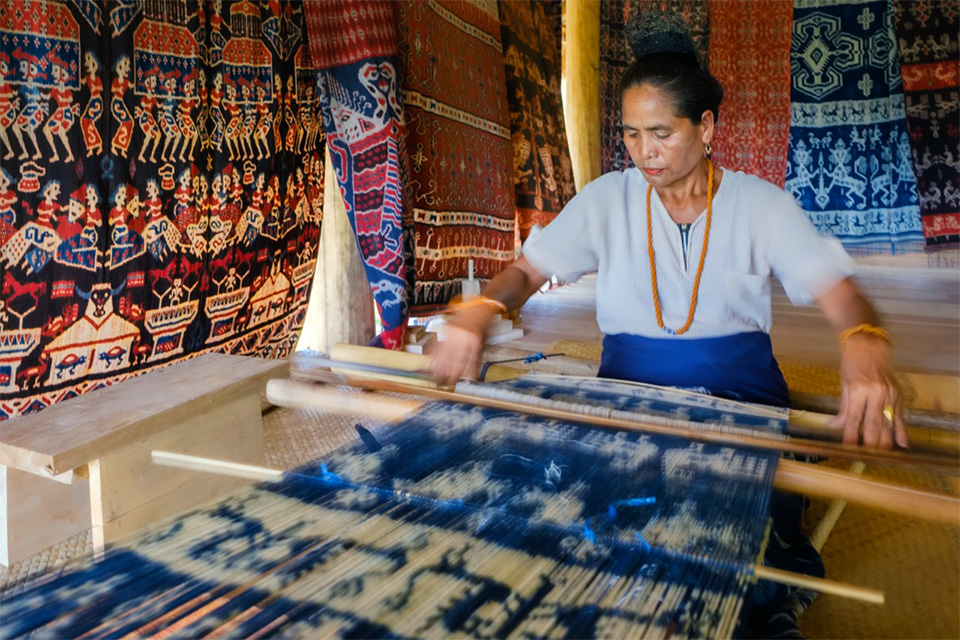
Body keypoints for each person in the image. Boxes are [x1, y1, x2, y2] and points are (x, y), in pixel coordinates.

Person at [429, 11, 905, 637]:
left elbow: (837, 291)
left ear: (705, 126)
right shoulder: (607, 199)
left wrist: (863, 342)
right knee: (569, 511)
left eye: (661, 133)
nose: (643, 153)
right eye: (630, 135)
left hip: (739, 401)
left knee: (730, 520)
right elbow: (524, 272)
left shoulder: (762, 204)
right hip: (626, 396)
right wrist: (482, 312)